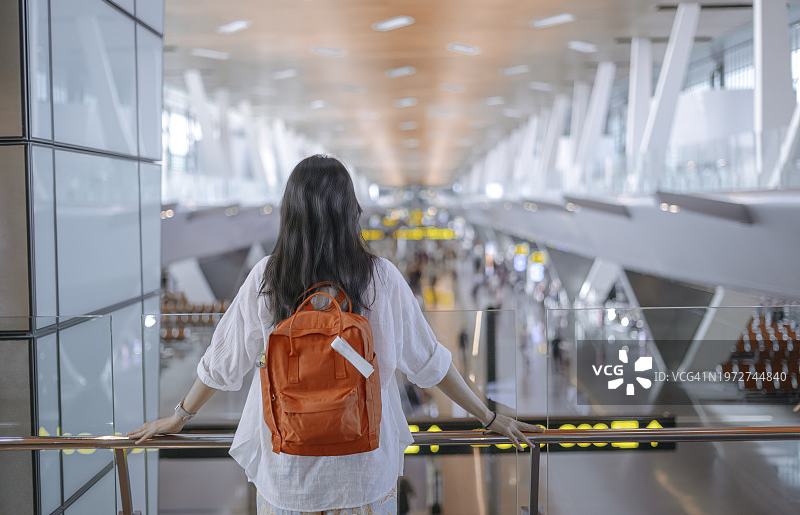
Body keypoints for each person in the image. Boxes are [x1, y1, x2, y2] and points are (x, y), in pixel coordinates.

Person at [127, 154, 543, 514]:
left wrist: (180, 416)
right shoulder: (380, 278)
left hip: (286, 474)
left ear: (290, 214)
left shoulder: (268, 279)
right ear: (351, 212)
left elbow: (223, 363)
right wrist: (486, 416)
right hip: (364, 472)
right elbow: (429, 363)